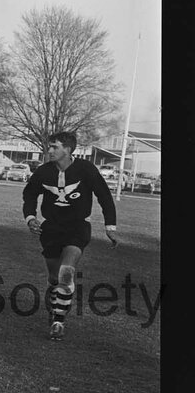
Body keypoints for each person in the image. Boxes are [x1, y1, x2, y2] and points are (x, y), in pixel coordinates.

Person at [22, 131, 118, 341]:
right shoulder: (43, 172)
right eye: (50, 146)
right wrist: (30, 218)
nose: (50, 150)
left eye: (54, 147)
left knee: (67, 271)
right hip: (50, 230)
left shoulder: (86, 169)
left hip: (77, 228)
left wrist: (110, 226)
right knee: (55, 278)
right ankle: (54, 293)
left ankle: (58, 322)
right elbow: (29, 194)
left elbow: (104, 195)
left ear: (68, 149)